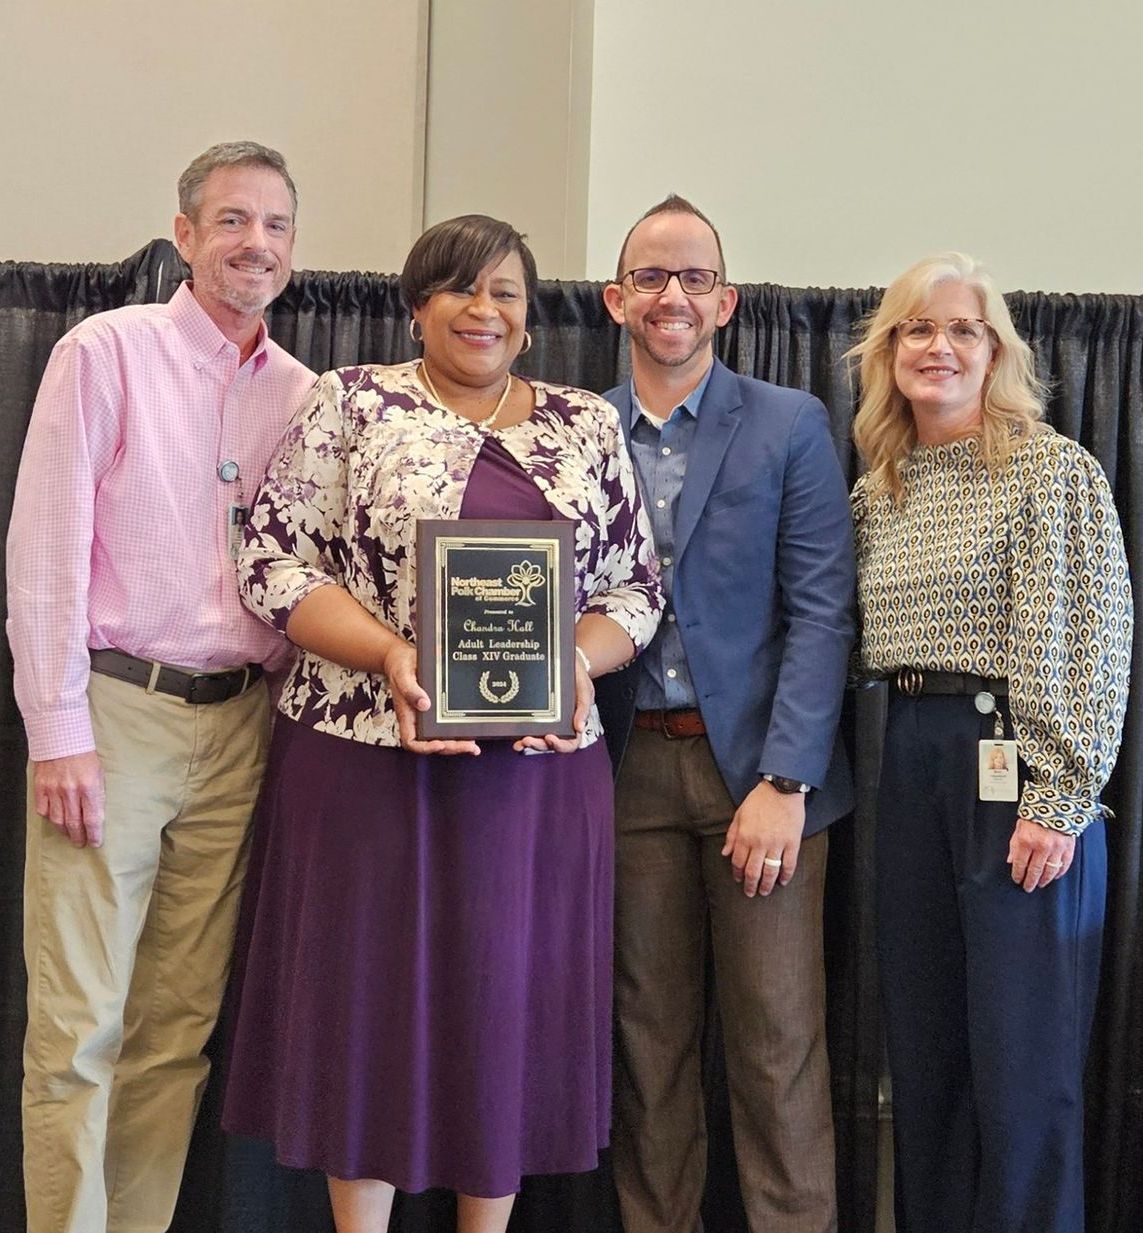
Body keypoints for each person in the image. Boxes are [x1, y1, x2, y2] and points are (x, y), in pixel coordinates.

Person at [221, 214, 662, 1233]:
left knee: (502, 1008)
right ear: (418, 303)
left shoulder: (585, 424)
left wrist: (579, 666)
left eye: (506, 292)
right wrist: (390, 656)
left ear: (531, 316)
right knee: (364, 1006)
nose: (484, 309)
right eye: (461, 288)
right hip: (363, 763)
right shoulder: (352, 404)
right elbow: (274, 562)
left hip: (538, 778)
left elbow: (635, 588)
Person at [7, 141, 314, 1233]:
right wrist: (57, 730)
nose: (256, 244)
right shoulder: (107, 352)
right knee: (81, 1027)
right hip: (115, 719)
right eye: (232, 220)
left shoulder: (304, 394)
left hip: (243, 727)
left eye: (276, 225)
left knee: (176, 1033)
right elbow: (45, 547)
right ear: (184, 236)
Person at [849, 252, 1132, 1233]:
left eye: (962, 329)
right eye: (917, 330)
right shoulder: (880, 488)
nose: (939, 347)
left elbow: (1093, 638)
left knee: (1023, 1073)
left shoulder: (1052, 470)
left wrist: (1059, 800)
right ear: (887, 352)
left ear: (996, 352)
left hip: (1017, 769)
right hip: (913, 761)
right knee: (927, 1063)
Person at [595, 195, 855, 1233]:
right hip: (620, 776)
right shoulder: (572, 430)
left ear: (728, 301)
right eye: (653, 277)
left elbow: (824, 612)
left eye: (696, 277)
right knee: (646, 1045)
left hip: (759, 778)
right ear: (617, 300)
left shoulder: (790, 423)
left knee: (776, 1045)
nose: (674, 296)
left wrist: (785, 783)